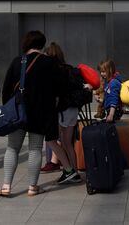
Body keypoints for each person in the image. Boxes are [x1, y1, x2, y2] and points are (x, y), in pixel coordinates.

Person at [0, 31, 79, 198]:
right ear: (42, 44)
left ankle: (6, 186)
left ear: (26, 43)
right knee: (35, 149)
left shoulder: (16, 62)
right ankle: (33, 187)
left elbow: (6, 91)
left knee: (12, 148)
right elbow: (60, 88)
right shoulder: (49, 63)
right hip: (40, 113)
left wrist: (9, 109)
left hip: (18, 112)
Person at [44, 42, 81, 177]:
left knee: (53, 141)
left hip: (62, 110)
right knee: (67, 143)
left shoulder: (54, 71)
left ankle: (69, 170)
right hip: (73, 109)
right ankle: (75, 171)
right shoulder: (69, 68)